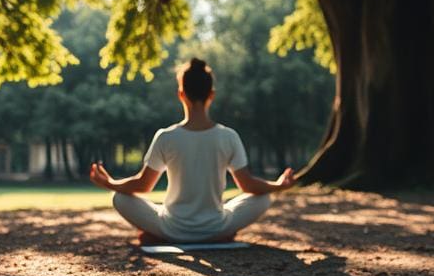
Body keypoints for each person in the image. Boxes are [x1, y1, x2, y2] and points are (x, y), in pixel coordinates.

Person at [89, 58, 295, 243]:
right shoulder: (229, 136)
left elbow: (144, 185)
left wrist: (111, 183)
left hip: (172, 228)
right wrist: (278, 185)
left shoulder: (166, 137)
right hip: (216, 227)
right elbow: (248, 185)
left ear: (181, 94)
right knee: (264, 197)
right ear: (211, 95)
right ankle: (218, 236)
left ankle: (159, 235)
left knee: (119, 197)